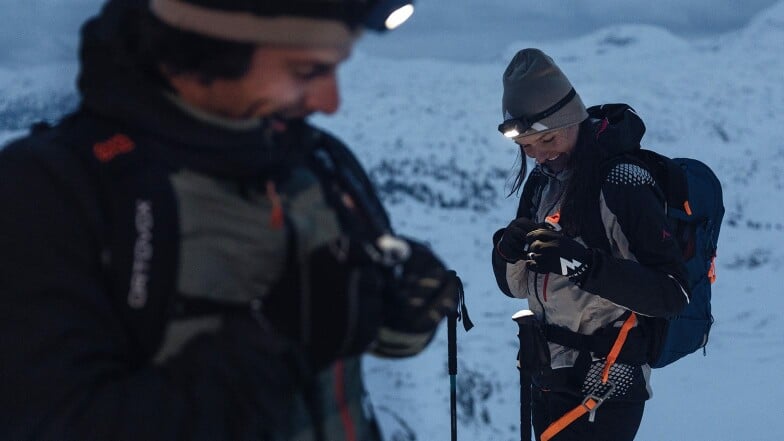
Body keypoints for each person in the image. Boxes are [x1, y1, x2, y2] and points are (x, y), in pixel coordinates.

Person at [0, 1, 460, 440]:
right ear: (209, 53)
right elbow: (54, 425)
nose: (330, 101)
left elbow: (364, 344)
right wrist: (279, 343)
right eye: (307, 71)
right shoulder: (51, 192)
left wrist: (402, 310)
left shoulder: (318, 163)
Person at [491, 48, 690, 440]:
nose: (540, 155)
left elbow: (673, 292)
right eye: (527, 147)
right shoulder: (543, 182)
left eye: (547, 138)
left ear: (572, 119)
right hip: (548, 374)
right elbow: (516, 287)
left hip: (607, 383)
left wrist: (579, 265)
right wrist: (508, 249)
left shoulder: (623, 183)